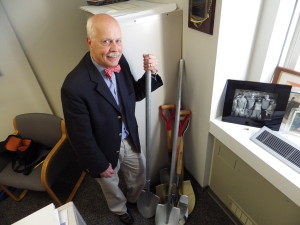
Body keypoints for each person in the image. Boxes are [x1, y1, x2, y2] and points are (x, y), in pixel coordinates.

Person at [61, 14, 163, 225]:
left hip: (128, 138)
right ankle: (119, 209)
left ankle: (135, 199)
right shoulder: (73, 86)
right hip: (102, 148)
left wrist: (151, 74)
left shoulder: (119, 60)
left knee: (139, 173)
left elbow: (134, 94)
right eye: (106, 41)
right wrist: (98, 163)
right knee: (111, 185)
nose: (115, 48)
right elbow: (80, 136)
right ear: (90, 42)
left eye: (118, 40)